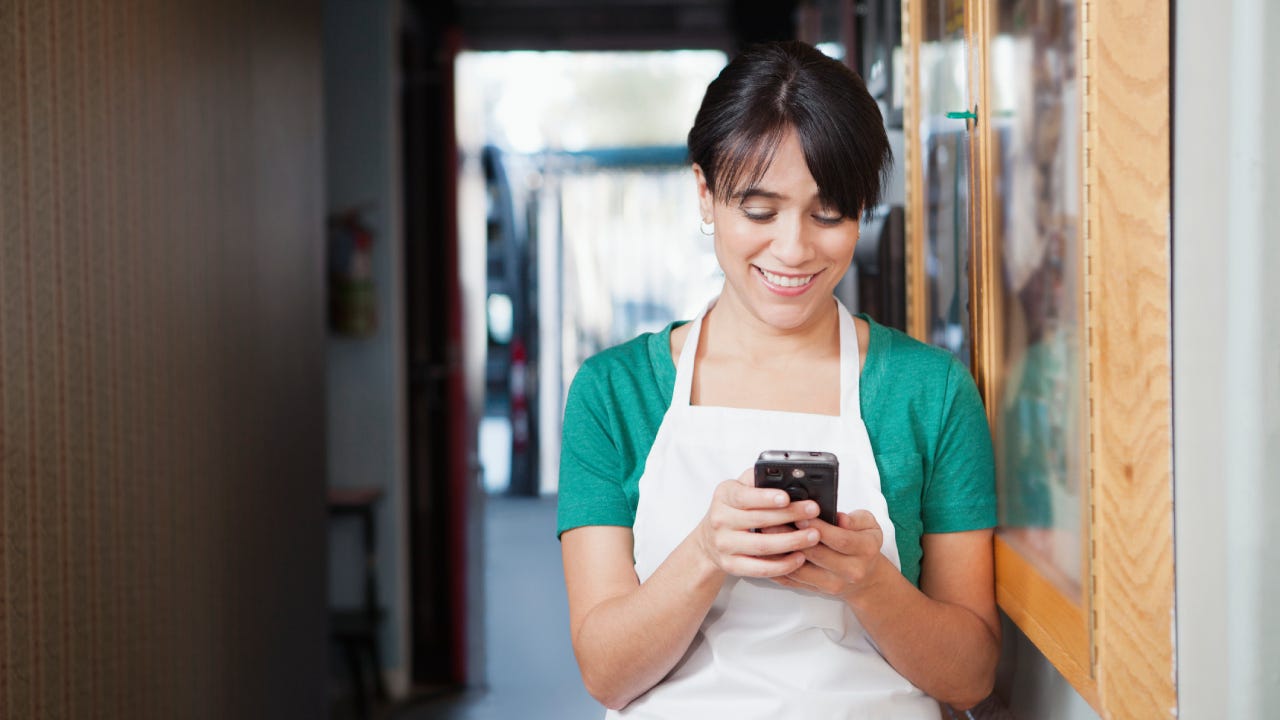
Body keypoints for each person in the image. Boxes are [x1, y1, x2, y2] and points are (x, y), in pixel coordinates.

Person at [557, 40, 999, 718]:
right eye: (759, 211)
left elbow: (970, 677)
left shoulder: (930, 392)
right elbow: (606, 673)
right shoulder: (613, 394)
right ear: (705, 194)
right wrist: (706, 552)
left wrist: (868, 582)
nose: (793, 249)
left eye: (828, 213)